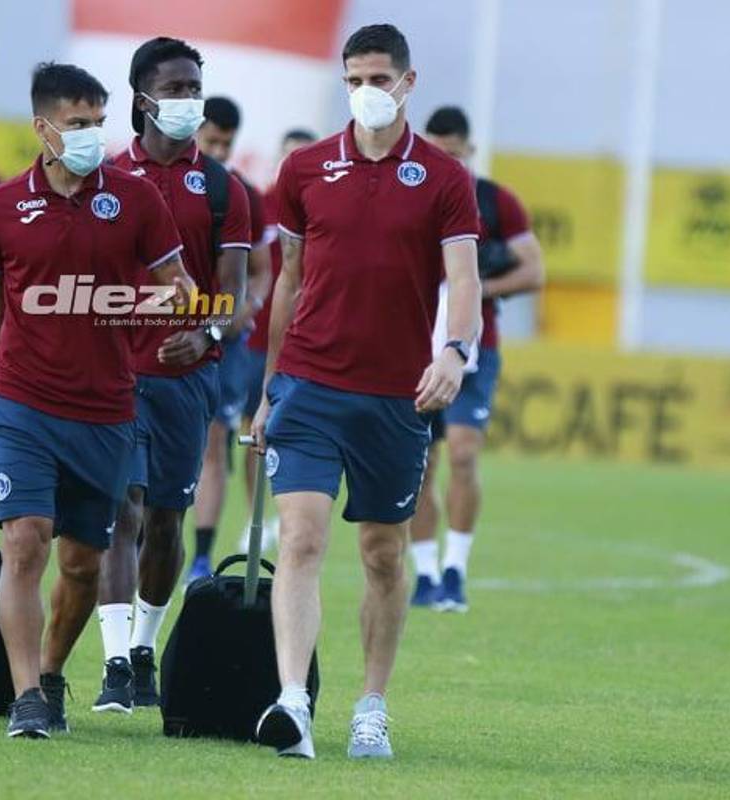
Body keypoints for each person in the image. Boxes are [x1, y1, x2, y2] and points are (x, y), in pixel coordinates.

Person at [250, 24, 481, 760]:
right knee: (301, 538)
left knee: (384, 554)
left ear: (408, 83)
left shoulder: (445, 178)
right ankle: (293, 701)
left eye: (379, 79)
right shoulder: (305, 168)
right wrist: (269, 387)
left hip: (396, 397)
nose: (366, 92)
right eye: (354, 80)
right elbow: (288, 280)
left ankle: (371, 707)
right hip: (309, 384)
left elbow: (465, 280)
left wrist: (456, 350)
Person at [0, 62, 190, 739]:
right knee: (24, 541)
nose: (91, 134)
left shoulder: (137, 200)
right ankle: (27, 696)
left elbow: (178, 286)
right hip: (20, 402)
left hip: (107, 410)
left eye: (98, 122)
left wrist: (144, 306)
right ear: (43, 127)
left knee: (82, 567)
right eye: (77, 123)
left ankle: (52, 672)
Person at [93, 37, 251, 714]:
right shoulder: (103, 179)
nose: (189, 99)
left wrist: (207, 331)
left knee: (163, 522)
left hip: (188, 382)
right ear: (143, 99)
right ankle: (113, 664)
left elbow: (237, 295)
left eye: (195, 88)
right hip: (113, 379)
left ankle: (145, 647)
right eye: (176, 88)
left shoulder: (221, 187)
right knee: (119, 512)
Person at [408, 106, 544, 612]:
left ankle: (455, 569)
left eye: (454, 153)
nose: (446, 160)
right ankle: (425, 573)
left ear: (469, 150)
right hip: (415, 344)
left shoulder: (494, 201)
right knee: (421, 464)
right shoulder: (411, 195)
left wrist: (475, 287)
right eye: (437, 151)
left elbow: (533, 271)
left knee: (464, 454)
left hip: (473, 345)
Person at [186, 96, 273, 581]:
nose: (218, 151)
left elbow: (262, 271)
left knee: (215, 443)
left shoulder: (242, 193)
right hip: (165, 334)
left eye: (226, 143)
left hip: (225, 343)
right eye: (211, 140)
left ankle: (201, 555)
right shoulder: (160, 186)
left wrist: (248, 307)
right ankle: (142, 542)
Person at [237, 128, 319, 555]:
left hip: (307, 344)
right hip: (257, 340)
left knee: (297, 434)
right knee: (253, 430)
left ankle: (289, 514)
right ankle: (254, 515)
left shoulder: (325, 206)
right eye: (288, 155)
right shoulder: (261, 204)